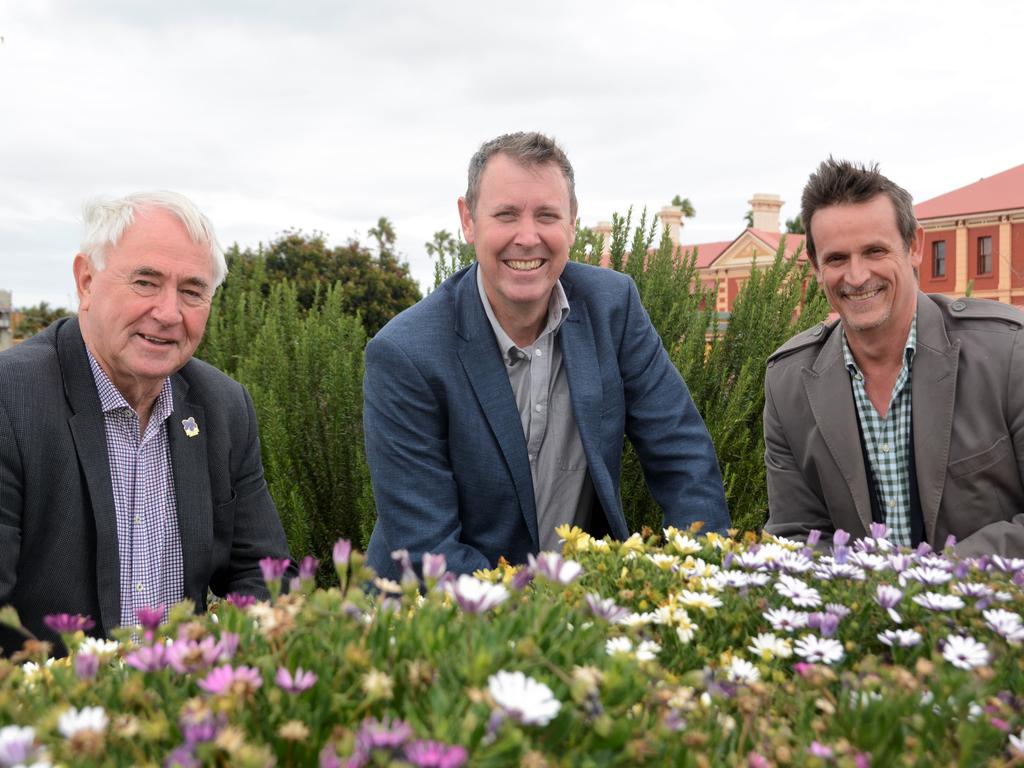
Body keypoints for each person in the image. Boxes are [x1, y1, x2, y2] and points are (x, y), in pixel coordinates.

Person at [363, 131, 729, 581]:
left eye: (547, 215)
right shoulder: (406, 355)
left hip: (581, 611)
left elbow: (682, 454)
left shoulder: (613, 308)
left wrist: (696, 575)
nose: (528, 237)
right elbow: (427, 550)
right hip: (440, 625)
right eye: (506, 215)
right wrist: (553, 614)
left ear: (572, 221)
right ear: (468, 219)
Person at [0, 191, 293, 654]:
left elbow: (264, 574)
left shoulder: (222, 406)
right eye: (145, 282)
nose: (169, 313)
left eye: (193, 291)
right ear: (87, 281)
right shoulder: (11, 400)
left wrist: (224, 667)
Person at [764, 158, 1024, 556]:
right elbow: (797, 535)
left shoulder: (1008, 353)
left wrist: (938, 578)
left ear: (915, 246)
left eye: (874, 251)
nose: (856, 276)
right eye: (836, 259)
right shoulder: (788, 382)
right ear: (815, 266)